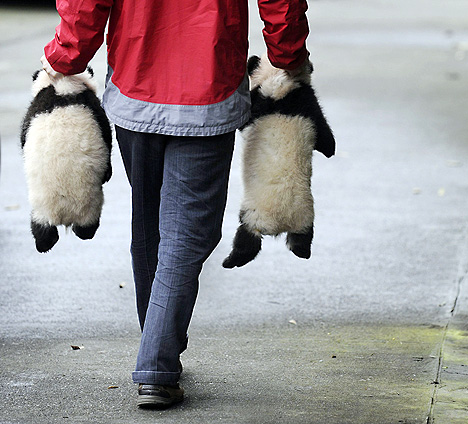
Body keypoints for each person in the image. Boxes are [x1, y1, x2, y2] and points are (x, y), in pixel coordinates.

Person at [41, 0, 310, 408]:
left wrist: (65, 55)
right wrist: (288, 54)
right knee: (185, 234)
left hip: (136, 82)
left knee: (150, 222)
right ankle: (158, 362)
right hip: (208, 85)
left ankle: (159, 339)